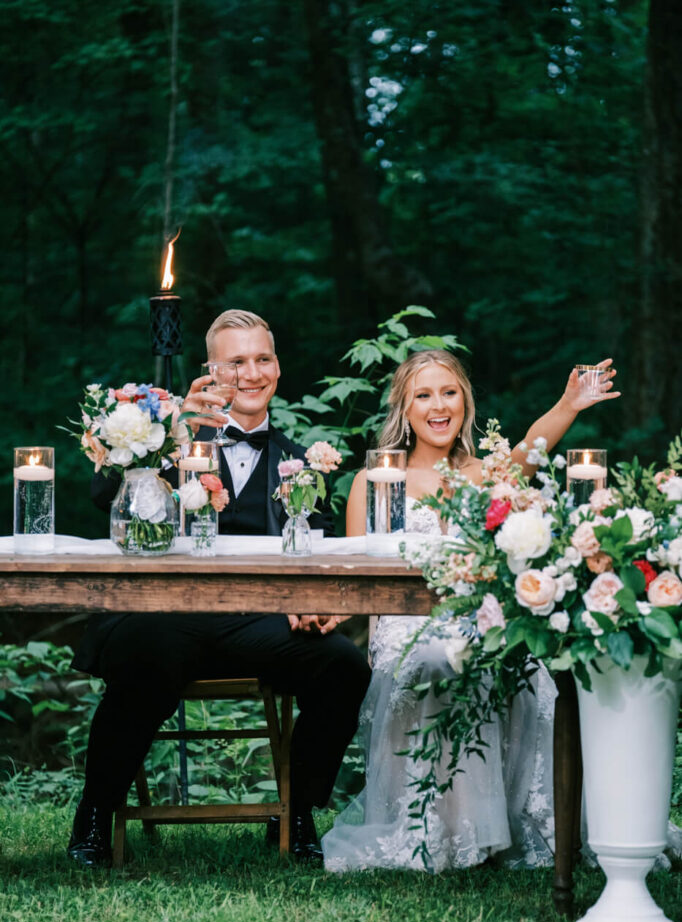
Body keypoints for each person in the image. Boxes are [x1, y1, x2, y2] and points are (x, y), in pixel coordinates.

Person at [68, 309, 371, 867]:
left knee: (344, 665)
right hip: (163, 617)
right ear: (211, 370)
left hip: (260, 625)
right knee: (148, 648)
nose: (251, 373)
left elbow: (318, 555)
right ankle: (95, 810)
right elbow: (99, 493)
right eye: (236, 362)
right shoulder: (165, 434)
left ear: (278, 368)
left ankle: (297, 810)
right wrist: (176, 428)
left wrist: (319, 607)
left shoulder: (303, 461)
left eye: (262, 359)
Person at [322, 350, 620, 872]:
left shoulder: (488, 474)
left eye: (449, 392)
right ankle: (448, 833)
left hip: (476, 620)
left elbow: (533, 447)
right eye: (423, 395)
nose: (438, 406)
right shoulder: (376, 480)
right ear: (403, 408)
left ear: (465, 401)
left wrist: (569, 404)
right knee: (441, 659)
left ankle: (497, 826)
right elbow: (355, 577)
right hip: (404, 629)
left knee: (513, 663)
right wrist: (328, 612)